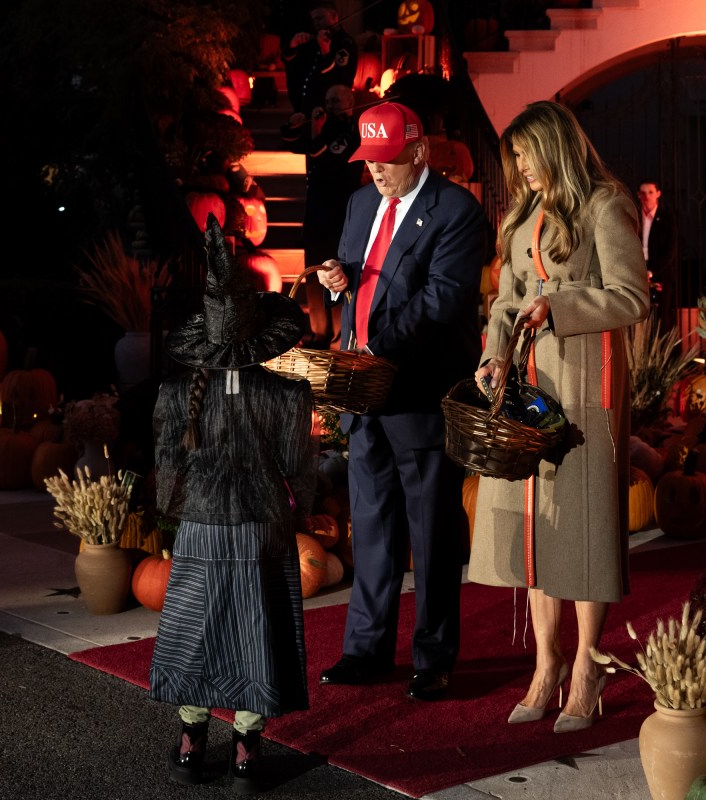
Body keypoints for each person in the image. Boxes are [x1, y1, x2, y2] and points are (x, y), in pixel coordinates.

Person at [467, 100, 650, 732]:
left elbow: (633, 296)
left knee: (585, 529)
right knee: (536, 529)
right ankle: (546, 666)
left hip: (585, 390)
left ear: (552, 145)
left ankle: (586, 670)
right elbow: (503, 302)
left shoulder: (606, 204)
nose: (517, 166)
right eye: (512, 157)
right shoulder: (521, 215)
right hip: (528, 385)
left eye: (522, 153)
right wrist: (493, 358)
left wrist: (561, 306)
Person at [314, 101, 487, 701]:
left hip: (419, 393)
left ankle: (434, 658)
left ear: (418, 153)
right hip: (363, 395)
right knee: (370, 526)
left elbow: (442, 301)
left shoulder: (459, 213)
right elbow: (361, 282)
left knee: (433, 532)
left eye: (387, 161)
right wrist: (339, 278)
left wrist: (376, 348)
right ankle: (365, 652)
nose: (376, 172)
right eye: (368, 161)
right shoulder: (362, 204)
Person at [149, 214, 317, 793]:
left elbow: (167, 473)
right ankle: (246, 747)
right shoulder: (288, 393)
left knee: (197, 626)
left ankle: (190, 740)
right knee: (257, 629)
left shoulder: (175, 392)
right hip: (262, 525)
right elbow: (301, 468)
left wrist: (176, 513)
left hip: (200, 525)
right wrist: (306, 506)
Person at [281, 82, 363, 347]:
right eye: (328, 101)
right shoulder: (325, 126)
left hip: (338, 214)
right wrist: (296, 123)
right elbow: (293, 143)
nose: (331, 107)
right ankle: (319, 333)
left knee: (336, 276)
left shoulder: (352, 133)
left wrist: (316, 129)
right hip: (316, 214)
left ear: (350, 104)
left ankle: (339, 336)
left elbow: (326, 158)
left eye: (337, 101)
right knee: (314, 277)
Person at [282, 0, 358, 121]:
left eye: (320, 18)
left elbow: (339, 77)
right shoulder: (314, 39)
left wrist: (325, 49)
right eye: (314, 20)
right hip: (306, 109)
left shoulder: (345, 43)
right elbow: (294, 65)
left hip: (330, 111)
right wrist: (293, 46)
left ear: (334, 17)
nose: (316, 23)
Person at [637, 178, 678, 328]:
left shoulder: (667, 217)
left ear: (658, 194)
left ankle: (662, 350)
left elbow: (670, 249)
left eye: (650, 192)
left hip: (660, 272)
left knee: (662, 316)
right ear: (638, 195)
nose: (647, 196)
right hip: (638, 269)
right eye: (643, 193)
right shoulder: (634, 216)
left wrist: (652, 271)